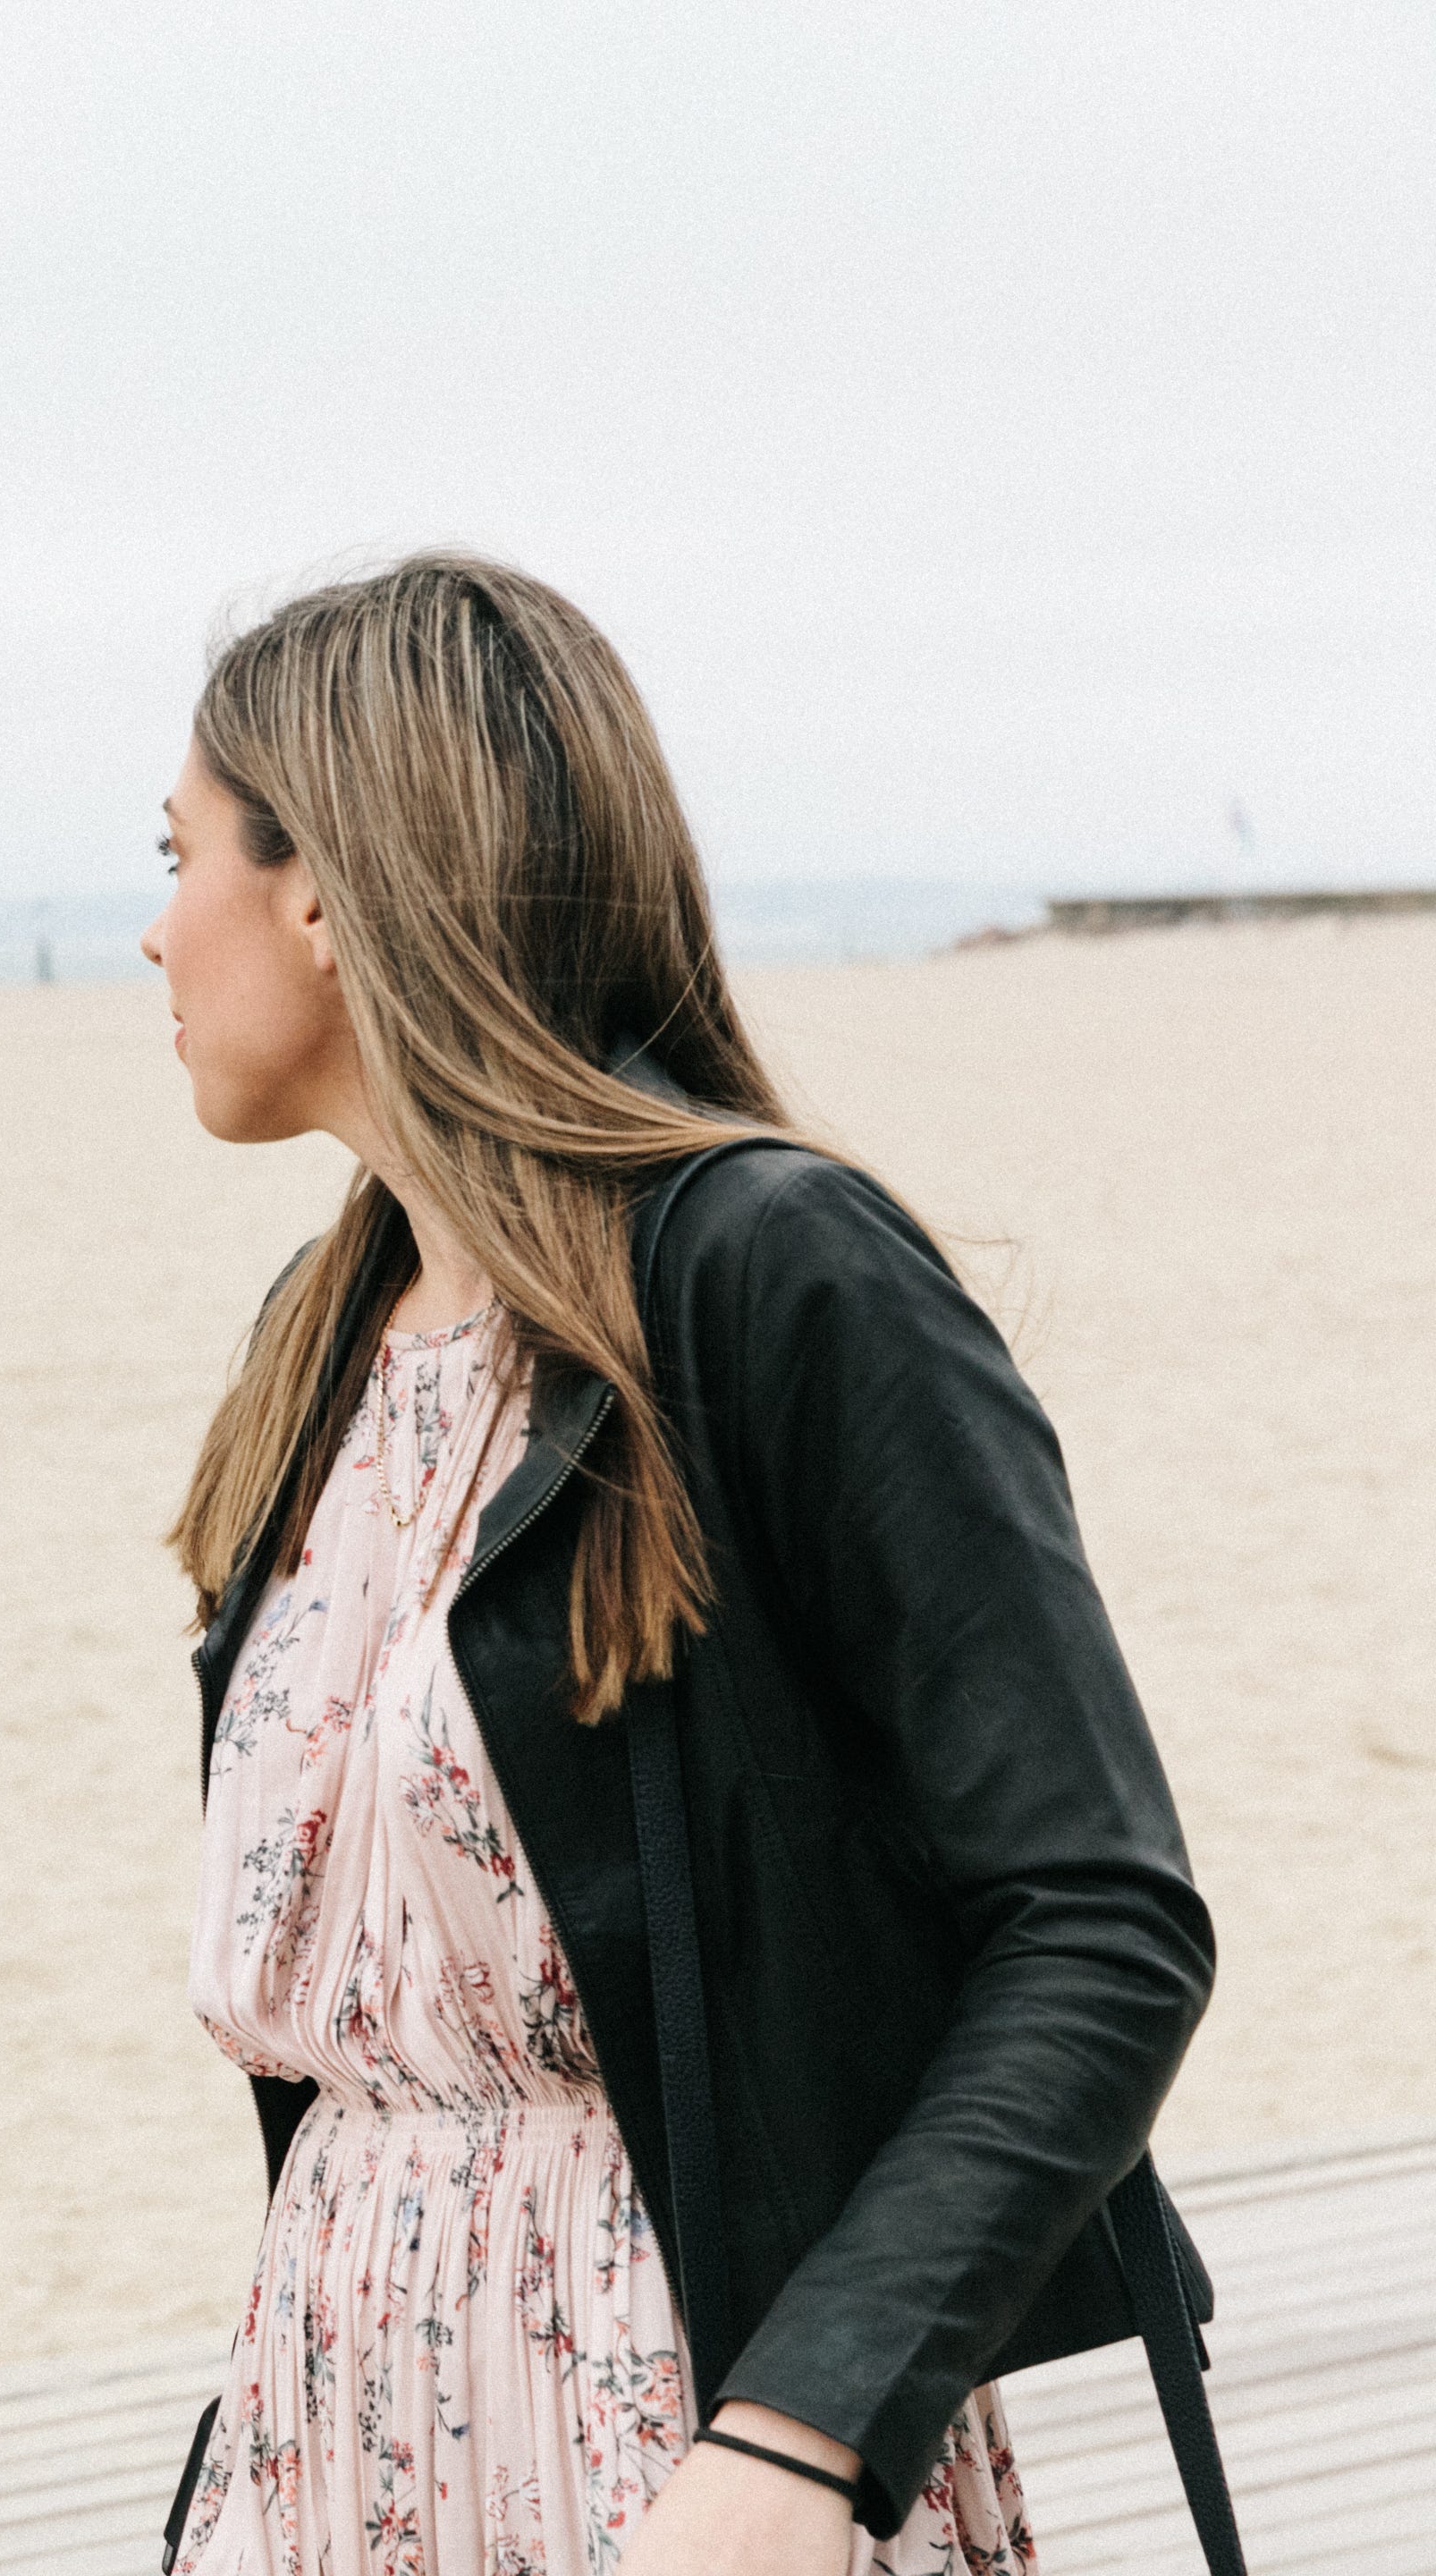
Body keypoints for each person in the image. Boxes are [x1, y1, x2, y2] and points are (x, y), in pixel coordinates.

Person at [139, 555, 1213, 2575]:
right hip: (330, 2429)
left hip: (685, 2444)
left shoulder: (769, 1271)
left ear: (322, 891)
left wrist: (800, 2444)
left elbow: (1102, 1919)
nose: (149, 922)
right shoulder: (323, 1333)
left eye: (176, 847)